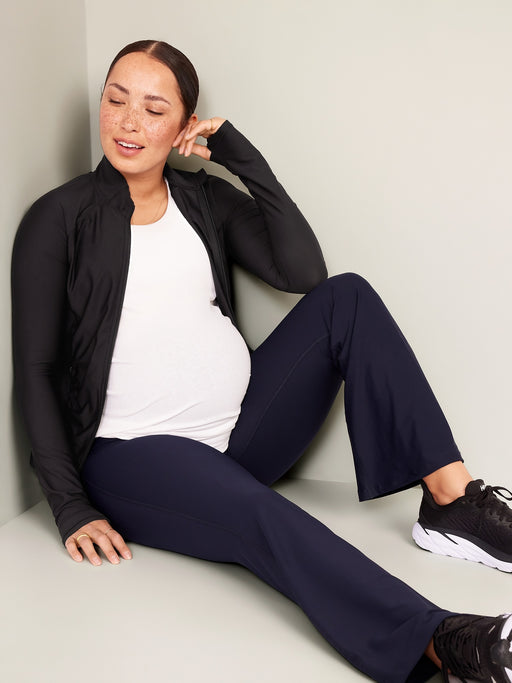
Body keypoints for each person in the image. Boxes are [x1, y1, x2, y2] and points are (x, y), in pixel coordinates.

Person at [11, 39, 512, 683]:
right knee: (262, 514)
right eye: (115, 100)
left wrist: (241, 158)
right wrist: (69, 504)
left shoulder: (200, 200)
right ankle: (438, 643)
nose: (129, 122)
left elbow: (302, 272)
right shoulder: (58, 218)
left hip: (241, 435)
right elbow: (36, 371)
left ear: (184, 124)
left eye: (154, 109)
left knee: (348, 298)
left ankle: (451, 502)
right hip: (134, 458)